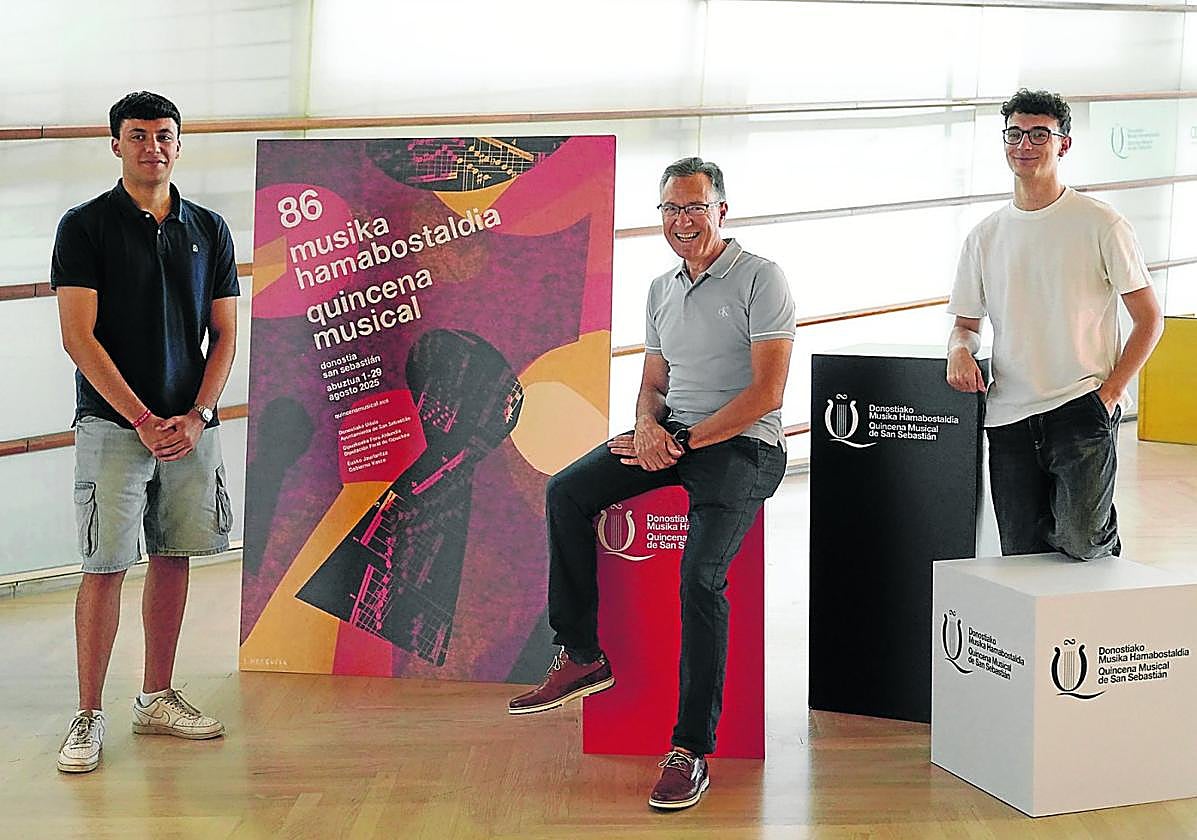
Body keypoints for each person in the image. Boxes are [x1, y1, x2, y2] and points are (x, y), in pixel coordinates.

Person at [508, 157, 794, 810]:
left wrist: (680, 442)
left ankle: (690, 750)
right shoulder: (661, 288)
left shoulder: (761, 277)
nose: (681, 220)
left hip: (743, 446)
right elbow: (654, 384)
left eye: (694, 207)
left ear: (722, 210)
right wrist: (644, 427)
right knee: (565, 492)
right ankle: (582, 654)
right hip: (672, 436)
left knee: (699, 578)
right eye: (670, 208)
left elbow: (767, 393)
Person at [51, 91, 239, 773]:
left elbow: (224, 334)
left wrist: (198, 415)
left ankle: (156, 698)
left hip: (189, 428)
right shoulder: (85, 226)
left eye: (163, 135)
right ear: (116, 145)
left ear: (179, 144)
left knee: (174, 555)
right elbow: (79, 337)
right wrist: (140, 419)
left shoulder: (210, 228)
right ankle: (88, 715)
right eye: (137, 135)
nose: (152, 147)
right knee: (104, 566)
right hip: (113, 425)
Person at [946, 88, 1163, 561]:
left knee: (1083, 542)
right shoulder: (984, 237)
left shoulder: (1101, 223)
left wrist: (1109, 395)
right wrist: (958, 349)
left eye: (1039, 134)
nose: (1025, 144)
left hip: (1080, 406)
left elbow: (1150, 319)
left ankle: (1105, 591)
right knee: (1022, 555)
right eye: (1015, 134)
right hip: (1009, 418)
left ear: (1063, 144)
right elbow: (965, 324)